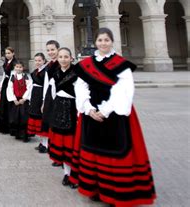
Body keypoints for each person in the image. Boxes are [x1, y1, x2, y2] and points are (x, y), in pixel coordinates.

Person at [71, 27, 156, 206]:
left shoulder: (121, 64)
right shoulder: (87, 63)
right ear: (95, 42)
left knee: (115, 154)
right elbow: (80, 87)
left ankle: (116, 194)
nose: (103, 43)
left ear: (112, 41)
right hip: (92, 113)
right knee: (93, 152)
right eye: (100, 40)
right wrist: (88, 108)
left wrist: (105, 110)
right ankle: (96, 188)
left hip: (115, 113)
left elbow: (124, 91)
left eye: (106, 40)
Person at [45, 47, 79, 188]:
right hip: (58, 109)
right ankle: (66, 173)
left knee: (72, 145)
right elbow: (52, 93)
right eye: (61, 57)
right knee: (62, 145)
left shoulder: (77, 74)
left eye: (66, 57)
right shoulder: (55, 74)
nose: (63, 59)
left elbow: (81, 94)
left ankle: (75, 175)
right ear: (57, 59)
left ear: (71, 58)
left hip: (72, 109)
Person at [41, 40, 62, 166]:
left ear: (58, 49)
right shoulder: (49, 65)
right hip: (49, 95)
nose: (50, 52)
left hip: (60, 96)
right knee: (50, 122)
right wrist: (44, 100)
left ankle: (60, 154)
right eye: (48, 50)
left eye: (53, 49)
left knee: (58, 125)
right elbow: (46, 83)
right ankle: (53, 150)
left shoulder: (61, 62)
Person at [28, 53, 49, 152]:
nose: (37, 62)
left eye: (39, 60)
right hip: (35, 96)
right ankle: (41, 142)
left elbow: (46, 86)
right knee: (37, 121)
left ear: (44, 61)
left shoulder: (46, 72)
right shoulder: (35, 71)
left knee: (42, 120)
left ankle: (46, 144)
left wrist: (44, 101)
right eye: (36, 60)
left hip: (41, 95)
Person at [6, 61, 32, 141]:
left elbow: (29, 88)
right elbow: (10, 88)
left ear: (23, 68)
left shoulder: (26, 77)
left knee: (24, 118)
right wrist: (14, 99)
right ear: (14, 68)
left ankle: (25, 135)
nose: (18, 68)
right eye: (17, 67)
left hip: (23, 100)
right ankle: (17, 134)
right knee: (16, 117)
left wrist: (24, 98)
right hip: (16, 100)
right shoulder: (13, 77)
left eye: (20, 67)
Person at [0, 47, 18, 134]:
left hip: (12, 84)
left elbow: (14, 76)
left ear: (13, 53)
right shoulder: (6, 62)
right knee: (3, 104)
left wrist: (10, 87)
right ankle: (3, 126)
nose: (7, 55)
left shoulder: (15, 63)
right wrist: (0, 85)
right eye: (6, 53)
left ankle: (11, 126)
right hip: (5, 83)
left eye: (9, 53)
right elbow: (5, 74)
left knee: (10, 104)